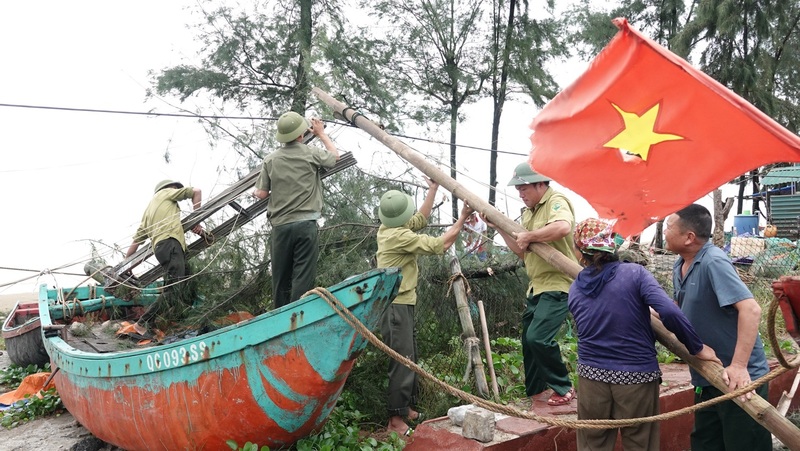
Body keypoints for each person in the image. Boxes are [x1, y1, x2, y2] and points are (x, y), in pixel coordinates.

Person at [569, 218, 719, 451]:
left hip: (591, 376)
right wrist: (697, 347)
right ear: (612, 246)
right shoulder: (635, 274)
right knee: (640, 443)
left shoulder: (575, 288)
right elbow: (669, 310)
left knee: (592, 444)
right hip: (635, 377)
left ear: (580, 252)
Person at [665, 204, 771, 451]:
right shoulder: (680, 264)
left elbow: (751, 309)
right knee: (706, 444)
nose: (665, 232)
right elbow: (686, 306)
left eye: (669, 227)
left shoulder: (713, 261)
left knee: (744, 444)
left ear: (689, 237)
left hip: (738, 380)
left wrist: (739, 366)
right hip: (708, 375)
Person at [376, 178, 473, 435]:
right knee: (401, 360)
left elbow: (419, 219)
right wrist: (462, 219)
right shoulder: (398, 236)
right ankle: (395, 421)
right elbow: (440, 244)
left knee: (409, 357)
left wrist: (432, 189)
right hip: (396, 307)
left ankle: (405, 408)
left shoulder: (387, 227)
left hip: (400, 304)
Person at [484, 162, 578, 409]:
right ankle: (536, 392)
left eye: (524, 188)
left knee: (539, 338)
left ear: (540, 184)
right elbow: (523, 252)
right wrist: (502, 230)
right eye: (518, 189)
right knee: (528, 340)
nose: (520, 193)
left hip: (558, 283)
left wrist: (531, 236)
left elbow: (562, 227)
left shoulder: (556, 201)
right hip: (537, 286)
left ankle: (564, 387)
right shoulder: (528, 213)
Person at [253, 111, 339, 308]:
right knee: (303, 276)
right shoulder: (311, 153)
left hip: (281, 227)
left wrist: (255, 192)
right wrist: (321, 134)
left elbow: (262, 194)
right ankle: (298, 315)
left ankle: (279, 319)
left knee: (280, 277)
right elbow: (334, 157)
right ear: (301, 135)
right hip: (305, 225)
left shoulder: (271, 160)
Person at [126, 179, 203, 336]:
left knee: (179, 284)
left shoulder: (148, 212)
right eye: (176, 189)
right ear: (170, 188)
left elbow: (135, 242)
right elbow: (197, 191)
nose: (177, 192)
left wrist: (127, 267)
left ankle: (161, 322)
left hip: (161, 250)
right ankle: (143, 322)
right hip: (171, 245)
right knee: (176, 288)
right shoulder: (166, 193)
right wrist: (197, 219)